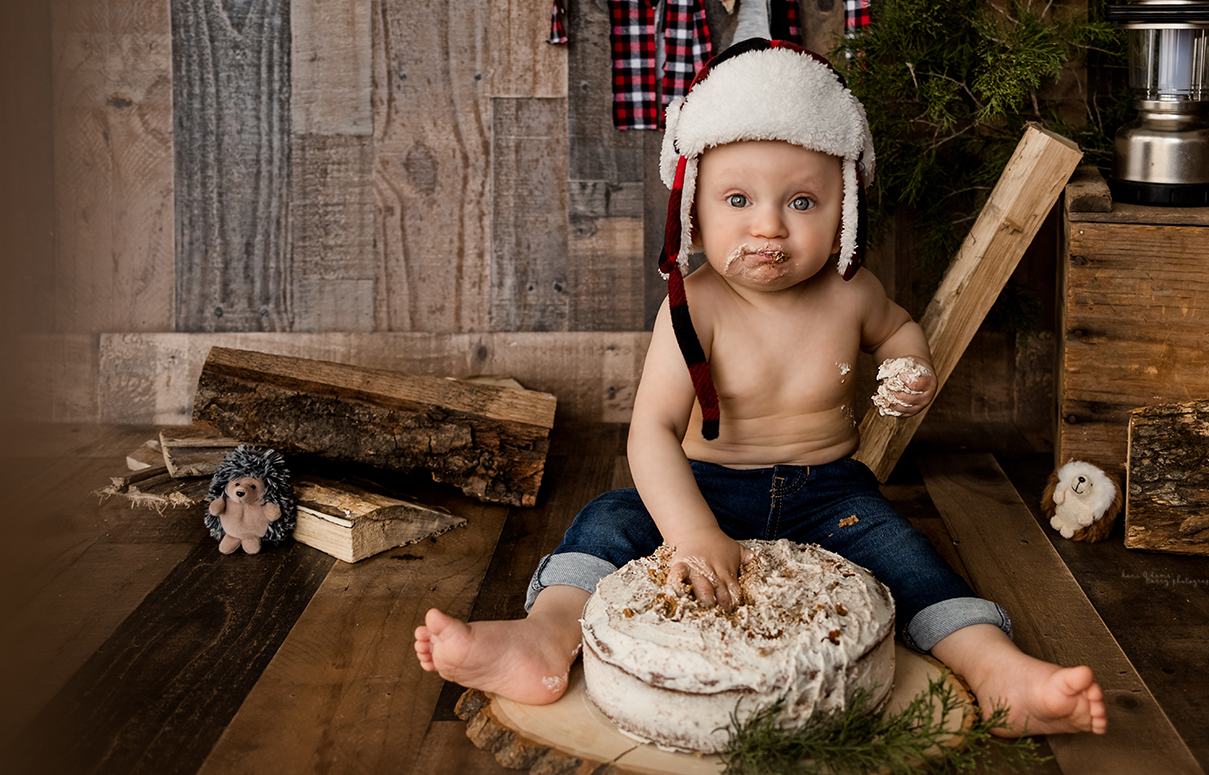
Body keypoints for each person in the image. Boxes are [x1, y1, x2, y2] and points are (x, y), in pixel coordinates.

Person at [415, 39, 1106, 738]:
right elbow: (651, 429)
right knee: (609, 521)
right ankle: (544, 637)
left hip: (830, 494)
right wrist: (688, 530)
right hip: (707, 485)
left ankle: (995, 670)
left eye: (802, 200)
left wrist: (910, 367)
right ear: (693, 210)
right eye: (738, 198)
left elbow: (898, 330)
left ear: (846, 207)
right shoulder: (697, 305)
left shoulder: (851, 293)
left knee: (907, 552)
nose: (769, 225)